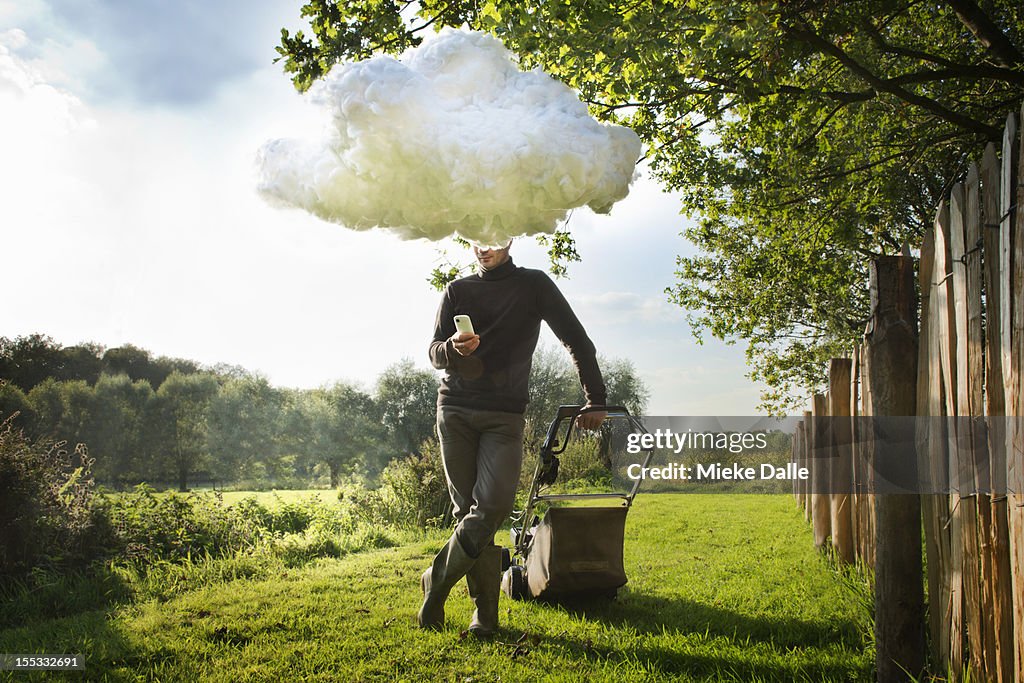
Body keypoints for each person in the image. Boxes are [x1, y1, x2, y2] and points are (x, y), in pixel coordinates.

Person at [418, 239, 607, 636]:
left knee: (492, 507)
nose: (482, 249)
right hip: (454, 410)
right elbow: (434, 353)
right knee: (467, 511)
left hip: (504, 415)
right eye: (475, 241)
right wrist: (452, 347)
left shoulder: (534, 285)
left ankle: (434, 582)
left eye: (491, 240)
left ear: (509, 239)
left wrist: (595, 399)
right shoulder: (458, 289)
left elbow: (577, 340)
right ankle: (485, 618)